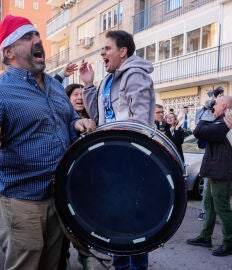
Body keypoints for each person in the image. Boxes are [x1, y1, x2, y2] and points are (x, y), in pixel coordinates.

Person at [0, 14, 96, 270]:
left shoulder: (56, 87)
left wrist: (77, 124)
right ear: (9, 51)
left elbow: (68, 121)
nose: (38, 40)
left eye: (37, 34)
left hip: (57, 196)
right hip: (21, 201)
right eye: (27, 36)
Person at [80, 30, 155, 270]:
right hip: (112, 161)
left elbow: (140, 120)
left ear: (123, 52)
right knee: (115, 218)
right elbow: (98, 116)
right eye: (102, 48)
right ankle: (120, 266)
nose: (102, 52)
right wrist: (89, 84)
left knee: (133, 221)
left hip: (130, 160)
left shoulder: (135, 76)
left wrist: (124, 153)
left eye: (107, 48)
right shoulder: (109, 79)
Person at [187, 95, 232, 256]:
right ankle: (205, 237)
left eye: (216, 104)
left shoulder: (226, 123)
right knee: (209, 206)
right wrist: (208, 111)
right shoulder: (220, 121)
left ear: (225, 106)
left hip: (221, 173)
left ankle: (229, 242)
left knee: (222, 208)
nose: (213, 106)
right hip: (214, 170)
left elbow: (198, 131)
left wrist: (206, 111)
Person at [58, 83, 93, 270]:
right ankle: (63, 258)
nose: (80, 97)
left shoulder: (93, 120)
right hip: (66, 181)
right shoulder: (62, 121)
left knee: (84, 224)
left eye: (82, 94)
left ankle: (85, 256)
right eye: (75, 94)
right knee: (63, 225)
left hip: (86, 184)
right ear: (67, 99)